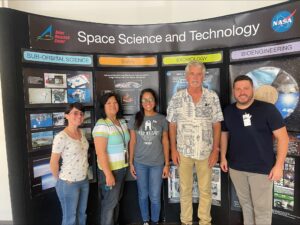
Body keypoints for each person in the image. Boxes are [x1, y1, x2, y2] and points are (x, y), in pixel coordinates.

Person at [220, 75, 289, 225]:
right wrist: (223, 157)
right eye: (238, 89)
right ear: (233, 91)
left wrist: (279, 166)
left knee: (262, 211)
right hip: (236, 168)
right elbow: (224, 134)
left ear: (253, 90)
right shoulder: (228, 111)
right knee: (246, 207)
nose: (242, 92)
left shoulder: (267, 109)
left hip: (261, 169)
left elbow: (283, 138)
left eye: (246, 88)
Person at [167, 60, 223, 225]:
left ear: (204, 76)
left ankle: (205, 221)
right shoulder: (177, 98)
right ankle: (186, 221)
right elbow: (172, 125)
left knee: (205, 190)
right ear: (186, 76)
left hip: (206, 152)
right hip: (183, 152)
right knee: (185, 190)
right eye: (192, 73)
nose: (195, 77)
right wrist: (173, 150)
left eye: (199, 74)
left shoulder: (212, 97)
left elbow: (217, 124)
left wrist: (215, 150)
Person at [128, 88, 170, 225]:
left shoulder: (162, 119)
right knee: (143, 195)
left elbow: (165, 141)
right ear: (140, 102)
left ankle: (155, 220)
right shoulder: (135, 118)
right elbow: (132, 141)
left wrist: (167, 164)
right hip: (140, 163)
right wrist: (131, 162)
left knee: (155, 196)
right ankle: (145, 220)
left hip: (157, 164)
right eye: (144, 99)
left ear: (155, 101)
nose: (147, 102)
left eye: (150, 99)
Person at [92, 92, 130, 225]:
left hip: (122, 169)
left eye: (115, 102)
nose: (113, 105)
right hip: (110, 171)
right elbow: (100, 152)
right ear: (103, 107)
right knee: (109, 204)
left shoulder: (122, 122)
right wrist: (108, 174)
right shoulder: (102, 124)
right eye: (108, 103)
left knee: (115, 202)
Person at [50, 102, 90, 225]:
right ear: (66, 115)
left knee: (81, 214)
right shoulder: (61, 137)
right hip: (69, 183)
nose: (79, 116)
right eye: (75, 113)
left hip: (84, 181)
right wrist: (62, 180)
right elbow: (53, 162)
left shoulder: (82, 133)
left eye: (81, 114)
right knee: (70, 219)